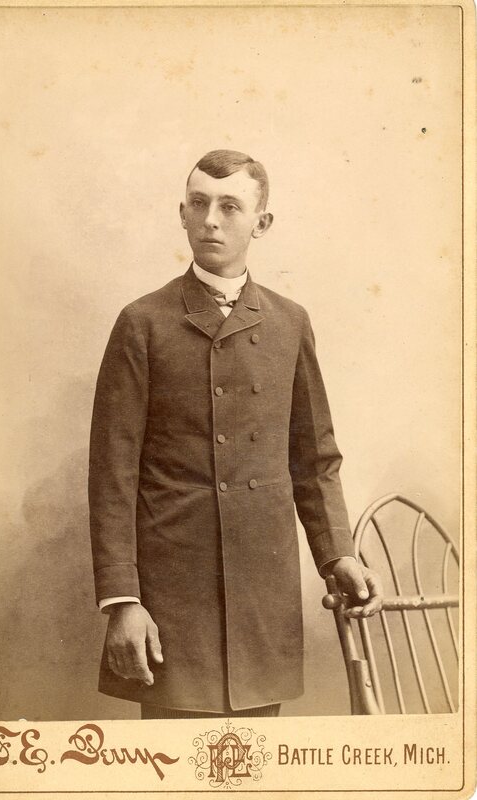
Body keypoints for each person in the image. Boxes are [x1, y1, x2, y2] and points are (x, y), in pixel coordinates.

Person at [88, 149, 382, 719]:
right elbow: (112, 473)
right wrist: (124, 600)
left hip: (261, 591)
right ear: (181, 212)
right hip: (173, 594)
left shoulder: (289, 322)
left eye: (230, 206)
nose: (211, 220)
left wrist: (337, 554)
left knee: (255, 765)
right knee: (174, 766)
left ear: (261, 222)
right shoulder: (142, 322)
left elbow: (315, 459)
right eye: (198, 204)